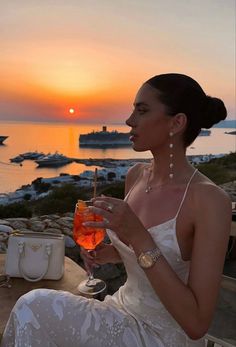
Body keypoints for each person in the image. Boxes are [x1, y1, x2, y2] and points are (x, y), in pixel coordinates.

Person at [1, 73, 232, 347]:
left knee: (33, 306)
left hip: (163, 335)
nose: (129, 120)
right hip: (121, 308)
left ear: (177, 123)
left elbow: (196, 324)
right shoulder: (136, 176)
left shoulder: (208, 200)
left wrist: (138, 236)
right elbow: (149, 258)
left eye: (142, 110)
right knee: (34, 305)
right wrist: (110, 253)